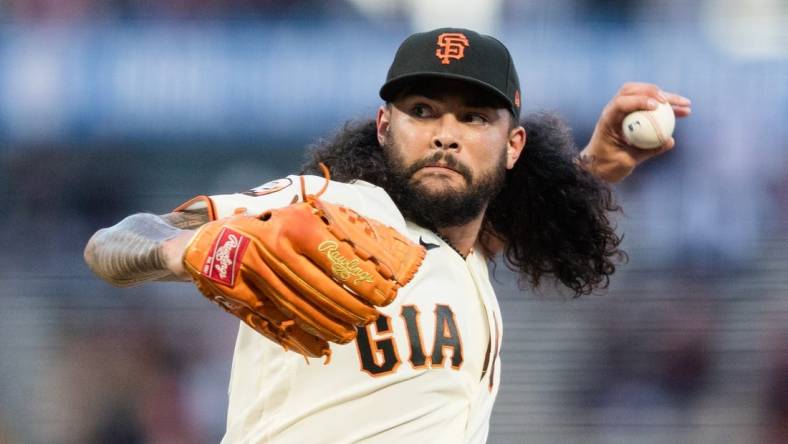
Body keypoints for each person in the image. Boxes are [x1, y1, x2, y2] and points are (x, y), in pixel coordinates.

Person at [84, 27, 691, 443]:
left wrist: (598, 163)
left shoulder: (465, 257)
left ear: (513, 146)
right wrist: (190, 249)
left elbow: (473, 238)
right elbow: (112, 245)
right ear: (384, 127)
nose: (444, 134)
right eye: (423, 110)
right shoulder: (327, 204)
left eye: (473, 116)